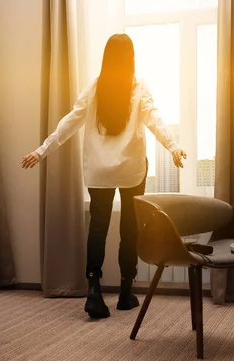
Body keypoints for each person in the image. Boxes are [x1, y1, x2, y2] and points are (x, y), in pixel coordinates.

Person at [21, 33, 187, 319]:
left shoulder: (96, 88)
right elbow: (154, 119)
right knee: (130, 228)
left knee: (97, 226)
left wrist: (42, 150)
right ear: (130, 59)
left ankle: (94, 290)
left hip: (99, 170)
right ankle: (125, 292)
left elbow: (70, 120)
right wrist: (172, 147)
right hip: (131, 170)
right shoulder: (137, 87)